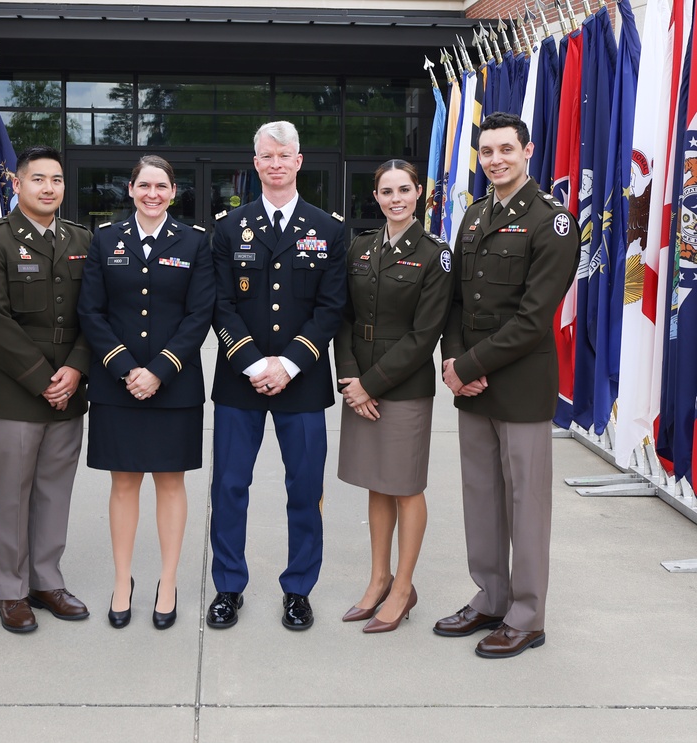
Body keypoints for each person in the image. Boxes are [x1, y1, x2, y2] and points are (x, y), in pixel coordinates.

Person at [437, 111, 578, 658]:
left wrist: (466, 366)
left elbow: (533, 316)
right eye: (486, 151)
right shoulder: (473, 217)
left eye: (505, 150)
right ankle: (490, 596)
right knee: (481, 496)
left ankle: (527, 614)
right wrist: (453, 362)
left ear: (528, 150)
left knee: (526, 504)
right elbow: (454, 302)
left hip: (518, 387)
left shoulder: (551, 222)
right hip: (472, 387)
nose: (495, 160)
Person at [207, 121, 346, 631]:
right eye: (266, 156)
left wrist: (287, 364)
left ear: (299, 161)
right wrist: (251, 362)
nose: (275, 164)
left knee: (305, 488)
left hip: (302, 381)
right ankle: (228, 586)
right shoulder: (228, 227)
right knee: (229, 486)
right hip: (238, 380)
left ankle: (299, 589)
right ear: (256, 162)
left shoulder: (327, 229)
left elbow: (331, 308)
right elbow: (219, 303)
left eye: (284, 155)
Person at [79, 155, 214, 630]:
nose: (152, 193)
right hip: (117, 385)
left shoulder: (195, 243)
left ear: (173, 192)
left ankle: (169, 581)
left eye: (161, 186)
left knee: (171, 482)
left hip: (174, 384)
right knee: (123, 483)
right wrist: (123, 367)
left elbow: (200, 315)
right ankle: (122, 581)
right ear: (130, 190)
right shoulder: (104, 240)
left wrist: (158, 370)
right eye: (144, 185)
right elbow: (91, 312)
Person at [0, 146, 93, 634]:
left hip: (70, 385)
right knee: (10, 494)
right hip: (12, 388)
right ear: (16, 185)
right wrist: (44, 380)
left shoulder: (81, 238)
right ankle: (10, 590)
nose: (48, 188)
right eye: (37, 179)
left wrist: (77, 369)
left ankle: (46, 580)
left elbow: (93, 312)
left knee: (54, 491)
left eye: (56, 180)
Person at [334, 160, 453, 633]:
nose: (395, 198)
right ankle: (378, 578)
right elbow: (342, 318)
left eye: (404, 189)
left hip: (402, 388)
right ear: (377, 196)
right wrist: (349, 379)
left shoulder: (434, 254)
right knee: (375, 481)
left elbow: (425, 335)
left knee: (405, 486)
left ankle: (403, 586)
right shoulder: (360, 248)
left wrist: (371, 384)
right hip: (359, 381)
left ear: (418, 193)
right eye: (386, 191)